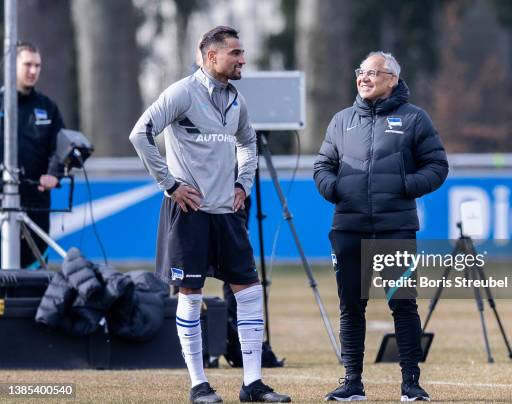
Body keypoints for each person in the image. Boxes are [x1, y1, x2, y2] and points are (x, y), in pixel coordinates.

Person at [129, 26, 291, 404]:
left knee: (249, 292)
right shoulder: (181, 92)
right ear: (210, 56)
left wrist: (243, 184)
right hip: (189, 213)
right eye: (235, 52)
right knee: (190, 292)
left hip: (227, 213)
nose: (242, 60)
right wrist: (169, 184)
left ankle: (252, 384)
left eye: (242, 52)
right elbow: (141, 133)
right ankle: (199, 385)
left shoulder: (237, 100)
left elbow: (248, 143)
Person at [314, 51, 449, 402]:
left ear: (392, 79)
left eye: (373, 72)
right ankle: (352, 383)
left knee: (402, 305)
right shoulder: (341, 121)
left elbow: (437, 166)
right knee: (351, 306)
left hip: (395, 228)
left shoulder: (415, 119)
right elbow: (322, 167)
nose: (364, 77)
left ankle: (411, 385)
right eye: (361, 71)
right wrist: (335, 188)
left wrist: (405, 185)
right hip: (348, 227)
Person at [0, 41, 65, 267]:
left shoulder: (48, 107)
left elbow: (61, 149)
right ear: (12, 65)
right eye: (27, 64)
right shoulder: (2, 102)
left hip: (36, 205)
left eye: (37, 66)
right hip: (2, 203)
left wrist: (54, 174)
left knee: (35, 275)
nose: (33, 71)